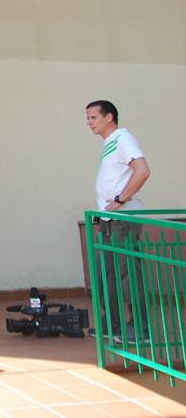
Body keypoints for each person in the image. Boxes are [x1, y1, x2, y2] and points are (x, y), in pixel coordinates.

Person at [86, 100, 151, 340]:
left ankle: (140, 328)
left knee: (127, 274)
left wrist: (122, 199)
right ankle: (113, 325)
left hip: (123, 218)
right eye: (88, 118)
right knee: (109, 274)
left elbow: (142, 170)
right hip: (109, 218)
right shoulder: (110, 143)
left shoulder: (123, 138)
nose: (89, 122)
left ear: (109, 117)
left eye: (93, 117)